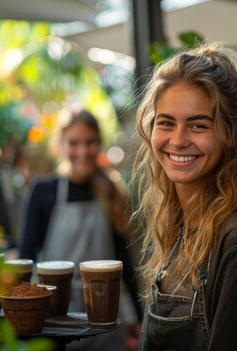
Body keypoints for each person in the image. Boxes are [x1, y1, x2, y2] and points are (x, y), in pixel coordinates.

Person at [131, 42, 237, 350]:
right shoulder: (182, 223)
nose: (178, 140)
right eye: (166, 123)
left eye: (198, 125)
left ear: (230, 134)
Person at [18, 107, 143, 350]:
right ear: (61, 145)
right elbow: (26, 258)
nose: (83, 151)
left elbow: (124, 262)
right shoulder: (43, 192)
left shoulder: (111, 192)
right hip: (56, 315)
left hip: (105, 315)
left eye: (90, 142)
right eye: (74, 143)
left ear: (99, 144)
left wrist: (138, 316)